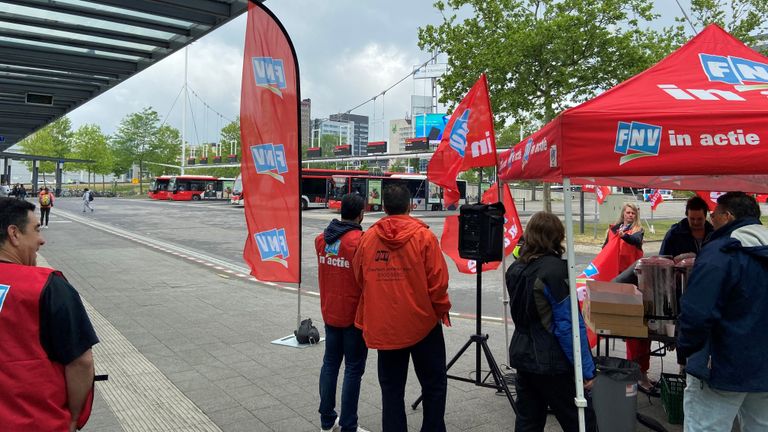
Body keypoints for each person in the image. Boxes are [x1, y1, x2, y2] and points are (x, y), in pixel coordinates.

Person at [353, 183, 451, 432]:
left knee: (391, 389)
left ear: (384, 207)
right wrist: (441, 310)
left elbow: (360, 278)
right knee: (434, 384)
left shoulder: (368, 239)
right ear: (410, 206)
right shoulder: (424, 237)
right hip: (423, 324)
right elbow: (438, 283)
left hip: (386, 326)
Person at [0, 197, 99, 431]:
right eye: (36, 230)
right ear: (14, 234)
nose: (41, 240)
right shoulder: (47, 286)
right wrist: (73, 418)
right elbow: (81, 363)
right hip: (37, 422)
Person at [678, 192, 768, 431]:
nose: (711, 219)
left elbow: (697, 313)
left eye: (714, 215)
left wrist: (686, 350)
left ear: (727, 216)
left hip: (721, 367)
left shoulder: (720, 252)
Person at [506, 211, 596, 432]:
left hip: (523, 354)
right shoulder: (555, 270)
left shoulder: (515, 268)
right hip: (551, 361)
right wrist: (586, 370)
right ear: (556, 236)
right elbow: (568, 327)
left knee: (528, 422)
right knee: (581, 421)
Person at [316, 193, 369, 432]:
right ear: (361, 214)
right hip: (354, 316)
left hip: (330, 312)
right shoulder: (360, 242)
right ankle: (349, 425)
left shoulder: (322, 240)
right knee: (353, 369)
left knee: (330, 364)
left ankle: (327, 421)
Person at [603, 202, 650, 389]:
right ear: (623, 213)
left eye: (633, 213)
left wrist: (624, 236)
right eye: (627, 212)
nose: (630, 215)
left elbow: (635, 241)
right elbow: (605, 252)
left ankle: (640, 371)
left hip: (634, 282)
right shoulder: (613, 231)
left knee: (636, 331)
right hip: (617, 281)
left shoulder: (638, 231)